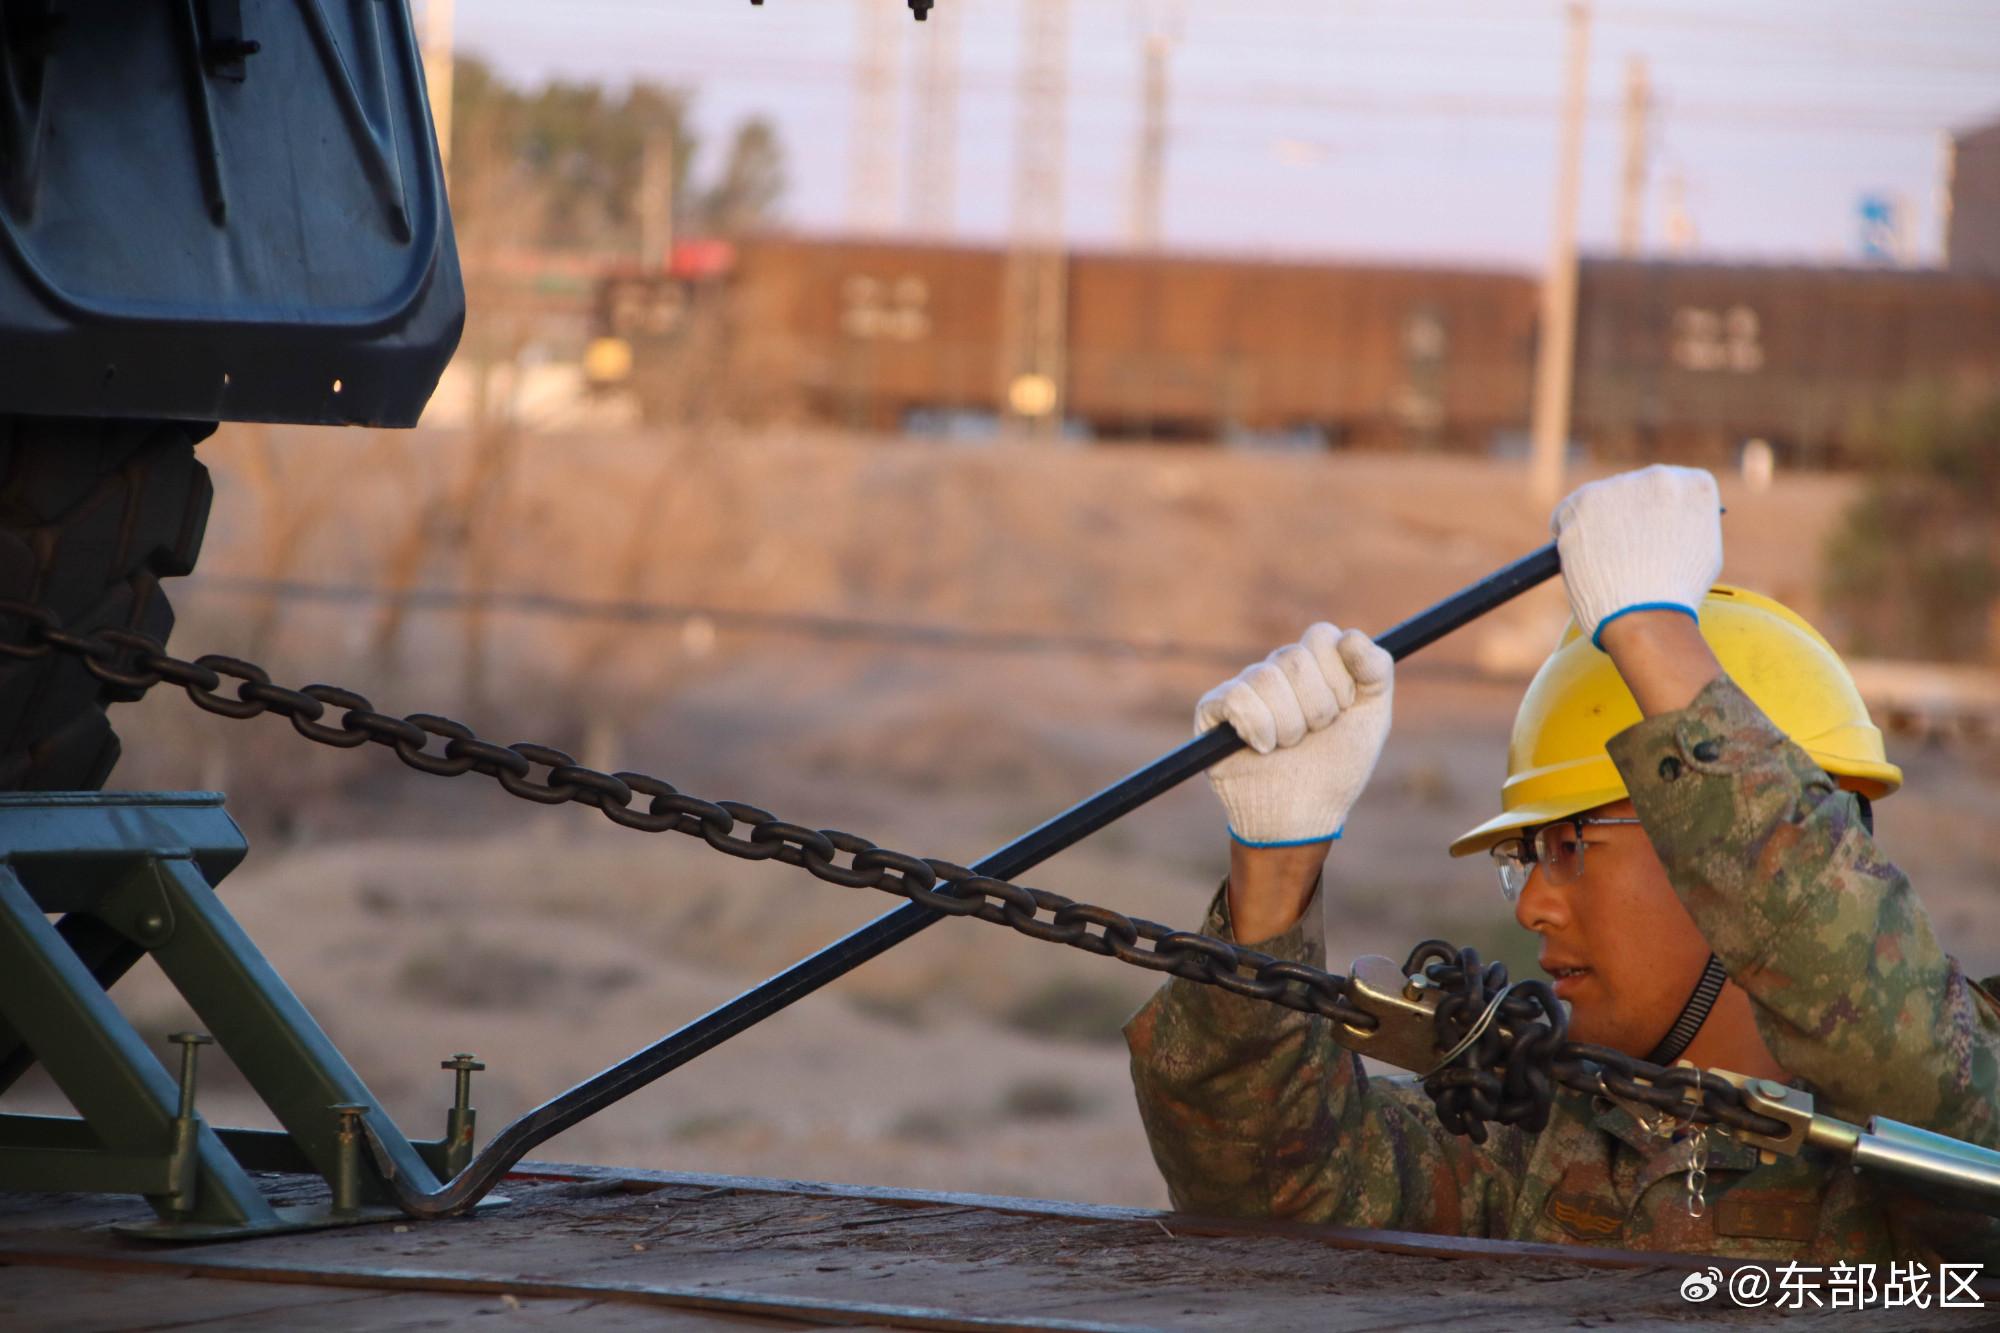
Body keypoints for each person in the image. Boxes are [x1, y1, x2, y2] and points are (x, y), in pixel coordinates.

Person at [1125, 464, 2000, 1260]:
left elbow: (1907, 1057)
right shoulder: (1534, 1140)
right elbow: (1271, 1196)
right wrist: (1274, 871)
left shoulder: (1945, 1134)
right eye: (1528, 855)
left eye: (1570, 847)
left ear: (1711, 841)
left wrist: (1655, 637)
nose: (1532, 904)